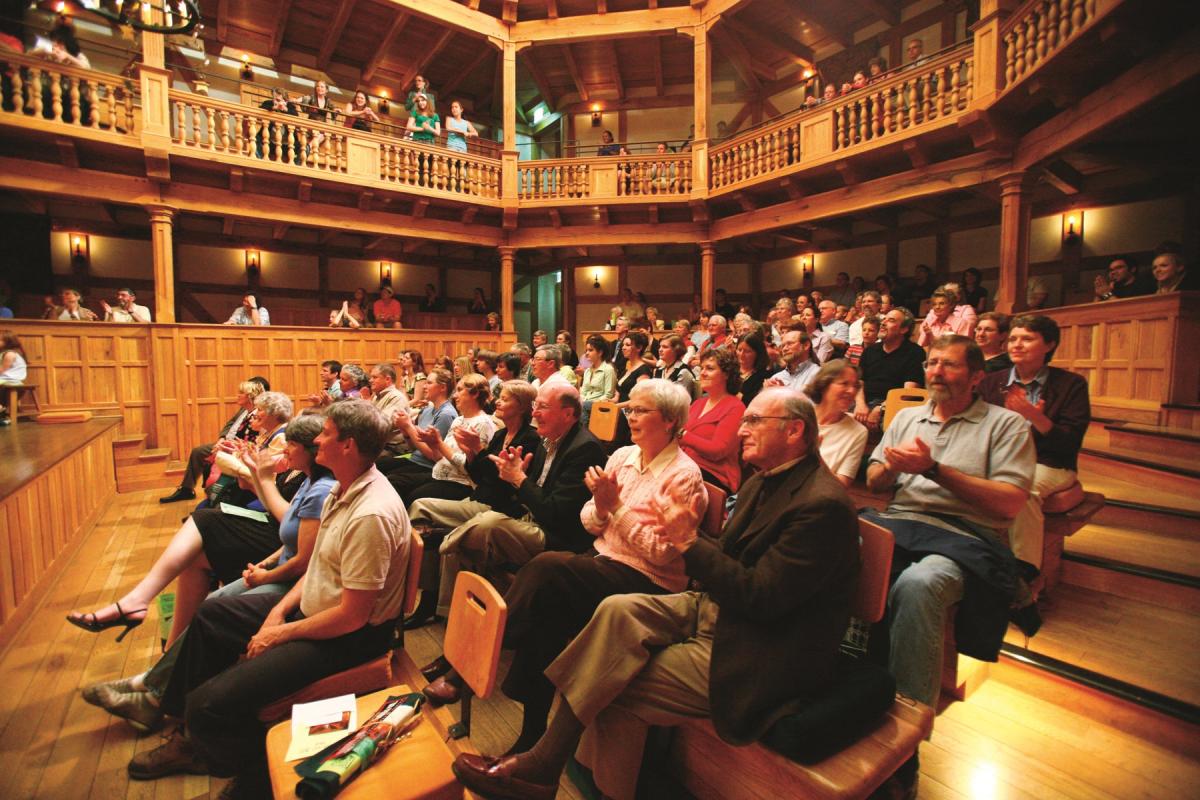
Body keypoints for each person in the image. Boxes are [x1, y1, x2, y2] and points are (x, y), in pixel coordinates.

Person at [451, 388, 859, 800]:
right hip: (715, 605)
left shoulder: (821, 505)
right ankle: (543, 762)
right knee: (615, 611)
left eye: (754, 421)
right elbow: (728, 559)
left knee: (612, 675)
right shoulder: (763, 481)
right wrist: (682, 537)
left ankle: (547, 766)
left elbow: (760, 599)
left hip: (762, 644)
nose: (741, 430)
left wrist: (687, 541)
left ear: (794, 431)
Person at [111, 401, 410, 796]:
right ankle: (177, 717)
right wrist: (278, 612)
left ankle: (245, 770)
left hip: (349, 638)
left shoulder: (370, 513)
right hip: (316, 611)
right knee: (211, 615)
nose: (318, 439)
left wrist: (279, 633)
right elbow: (320, 567)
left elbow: (352, 618)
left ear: (348, 445)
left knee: (208, 705)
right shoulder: (344, 485)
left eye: (326, 433)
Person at [428, 380, 704, 746]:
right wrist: (603, 509)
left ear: (669, 420)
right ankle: (530, 738)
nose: (630, 417)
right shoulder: (622, 457)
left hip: (646, 579)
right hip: (602, 560)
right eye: (631, 409)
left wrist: (615, 509)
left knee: (546, 568)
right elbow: (588, 519)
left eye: (641, 410)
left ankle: (470, 662)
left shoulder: (684, 475)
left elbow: (660, 552)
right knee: (547, 615)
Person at [80, 414, 337, 736]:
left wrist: (266, 576)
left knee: (214, 606)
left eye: (292, 445)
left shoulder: (321, 489)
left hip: (292, 584)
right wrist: (265, 562)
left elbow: (303, 560)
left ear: (308, 450)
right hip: (279, 569)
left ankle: (152, 690)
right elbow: (290, 536)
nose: (285, 450)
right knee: (213, 594)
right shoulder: (310, 481)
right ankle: (151, 683)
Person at [863, 334, 1035, 708]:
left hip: (966, 536)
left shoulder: (1005, 425)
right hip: (902, 523)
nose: (936, 372)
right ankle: (849, 676)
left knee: (919, 583)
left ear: (976, 377)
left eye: (949, 364)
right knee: (835, 549)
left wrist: (934, 470)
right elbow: (874, 482)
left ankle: (911, 715)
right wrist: (891, 467)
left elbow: (1009, 504)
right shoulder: (907, 417)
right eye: (931, 363)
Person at [69, 392, 295, 643]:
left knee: (204, 519)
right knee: (197, 538)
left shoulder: (308, 473)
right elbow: (264, 490)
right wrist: (250, 468)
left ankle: (140, 608)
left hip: (277, 539)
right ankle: (167, 640)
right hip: (270, 523)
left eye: (293, 445)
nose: (286, 449)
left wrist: (254, 474)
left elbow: (292, 527)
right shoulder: (290, 460)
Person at [980, 315, 1090, 581]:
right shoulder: (991, 382)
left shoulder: (1071, 385)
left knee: (1021, 489)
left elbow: (1069, 443)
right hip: (998, 461)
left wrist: (1034, 417)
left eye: (1027, 339)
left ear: (1049, 344)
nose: (1017, 345)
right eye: (1013, 339)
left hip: (1049, 463)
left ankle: (1023, 574)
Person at [395, 373, 496, 506]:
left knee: (412, 498)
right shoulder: (459, 420)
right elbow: (439, 458)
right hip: (440, 475)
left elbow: (469, 469)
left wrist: (438, 443)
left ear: (475, 394)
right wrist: (433, 444)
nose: (454, 396)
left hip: (461, 483)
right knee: (396, 482)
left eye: (460, 390)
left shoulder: (483, 424)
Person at [160, 379, 267, 503]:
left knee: (213, 461)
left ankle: (214, 499)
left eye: (241, 393)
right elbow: (231, 424)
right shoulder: (244, 410)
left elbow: (253, 441)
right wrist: (222, 439)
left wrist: (227, 446)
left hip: (238, 448)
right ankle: (188, 490)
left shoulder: (257, 415)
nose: (237, 395)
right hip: (230, 442)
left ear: (249, 396)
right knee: (198, 451)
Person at [380, 368, 458, 496]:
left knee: (390, 480)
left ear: (442, 388)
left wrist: (409, 427)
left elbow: (434, 455)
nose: (424, 387)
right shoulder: (427, 410)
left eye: (429, 383)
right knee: (377, 466)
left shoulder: (446, 414)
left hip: (429, 467)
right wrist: (405, 431)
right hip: (415, 459)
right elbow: (414, 448)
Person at [681, 349, 744, 494]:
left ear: (726, 374)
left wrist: (682, 435)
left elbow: (718, 450)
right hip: (686, 467)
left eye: (709, 368)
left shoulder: (736, 407)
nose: (702, 373)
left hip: (715, 475)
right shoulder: (698, 403)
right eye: (702, 368)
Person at [854, 308, 925, 430]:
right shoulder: (870, 350)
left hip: (893, 405)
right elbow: (859, 382)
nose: (883, 323)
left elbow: (908, 392)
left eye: (891, 320)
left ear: (904, 329)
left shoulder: (915, 352)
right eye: (884, 319)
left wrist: (880, 408)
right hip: (864, 401)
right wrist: (860, 404)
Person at [805, 360, 868, 487]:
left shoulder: (858, 432)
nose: (852, 391)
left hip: (820, 495)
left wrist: (815, 457)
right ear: (823, 385)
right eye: (844, 384)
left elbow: (841, 486)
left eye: (855, 386)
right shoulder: (800, 416)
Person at [613, 332, 653, 446]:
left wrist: (617, 406)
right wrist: (611, 401)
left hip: (631, 413)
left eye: (628, 345)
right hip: (620, 410)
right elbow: (619, 393)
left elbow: (641, 399)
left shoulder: (643, 370)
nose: (623, 348)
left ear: (639, 348)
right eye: (623, 345)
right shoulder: (627, 367)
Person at [579, 335, 616, 424]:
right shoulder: (587, 370)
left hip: (600, 404)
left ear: (600, 353)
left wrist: (592, 402)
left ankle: (583, 431)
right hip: (586, 402)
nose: (587, 353)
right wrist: (582, 400)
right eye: (586, 350)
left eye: (590, 350)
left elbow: (608, 395)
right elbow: (583, 391)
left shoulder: (608, 369)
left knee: (584, 405)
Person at [257, 88, 300, 164]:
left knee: (303, 146)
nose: (277, 102)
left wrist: (285, 110)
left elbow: (296, 116)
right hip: (270, 143)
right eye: (275, 99)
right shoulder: (269, 103)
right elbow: (260, 109)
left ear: (285, 101)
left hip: (287, 145)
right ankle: (260, 161)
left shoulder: (290, 107)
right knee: (256, 138)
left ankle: (296, 166)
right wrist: (274, 108)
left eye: (279, 100)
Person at [653, 335, 696, 400]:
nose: (660, 350)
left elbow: (679, 400)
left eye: (665, 347)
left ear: (676, 350)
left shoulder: (683, 372)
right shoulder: (659, 370)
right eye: (660, 346)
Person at [735, 330, 770, 408]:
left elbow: (754, 403)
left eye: (747, 351)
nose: (741, 355)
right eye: (739, 350)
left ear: (757, 353)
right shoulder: (730, 369)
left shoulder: (763, 376)